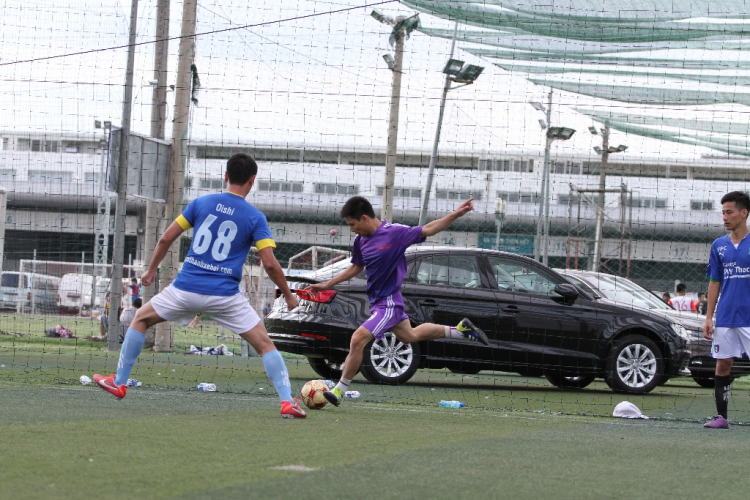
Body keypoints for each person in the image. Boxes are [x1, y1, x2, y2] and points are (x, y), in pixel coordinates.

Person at [94, 153, 306, 419]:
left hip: (184, 290)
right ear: (252, 181)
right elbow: (272, 265)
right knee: (265, 345)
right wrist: (288, 296)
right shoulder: (255, 218)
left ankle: (120, 382)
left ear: (226, 176)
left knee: (140, 318)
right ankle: (287, 401)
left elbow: (166, 239)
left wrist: (150, 270)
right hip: (225, 297)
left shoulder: (200, 203)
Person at [306, 196, 489, 407]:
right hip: (378, 303)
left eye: (352, 225)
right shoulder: (360, 241)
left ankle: (339, 390)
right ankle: (460, 331)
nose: (352, 230)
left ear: (364, 218)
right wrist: (328, 284)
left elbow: (428, 229)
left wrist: (456, 214)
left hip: (390, 302)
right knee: (409, 336)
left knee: (358, 339)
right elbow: (356, 266)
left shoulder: (395, 233)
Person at [703, 191, 750, 429]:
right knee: (723, 364)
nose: (725, 217)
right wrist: (709, 317)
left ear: (744, 213)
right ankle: (722, 418)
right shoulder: (718, 245)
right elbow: (714, 282)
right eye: (723, 212)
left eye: (729, 212)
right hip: (725, 317)